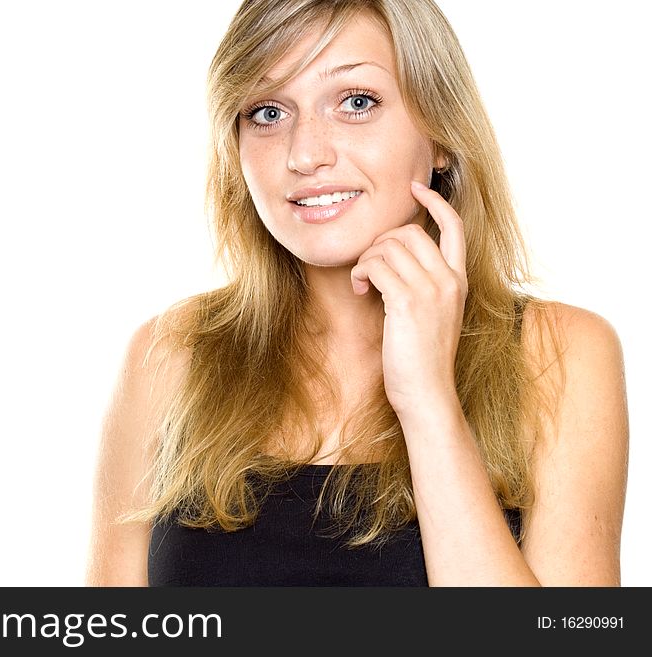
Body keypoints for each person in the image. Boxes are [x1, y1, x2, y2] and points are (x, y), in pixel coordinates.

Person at [85, 0, 629, 586]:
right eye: (267, 112)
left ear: (441, 135)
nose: (305, 154)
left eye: (356, 102)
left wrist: (427, 401)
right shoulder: (171, 355)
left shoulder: (561, 355)